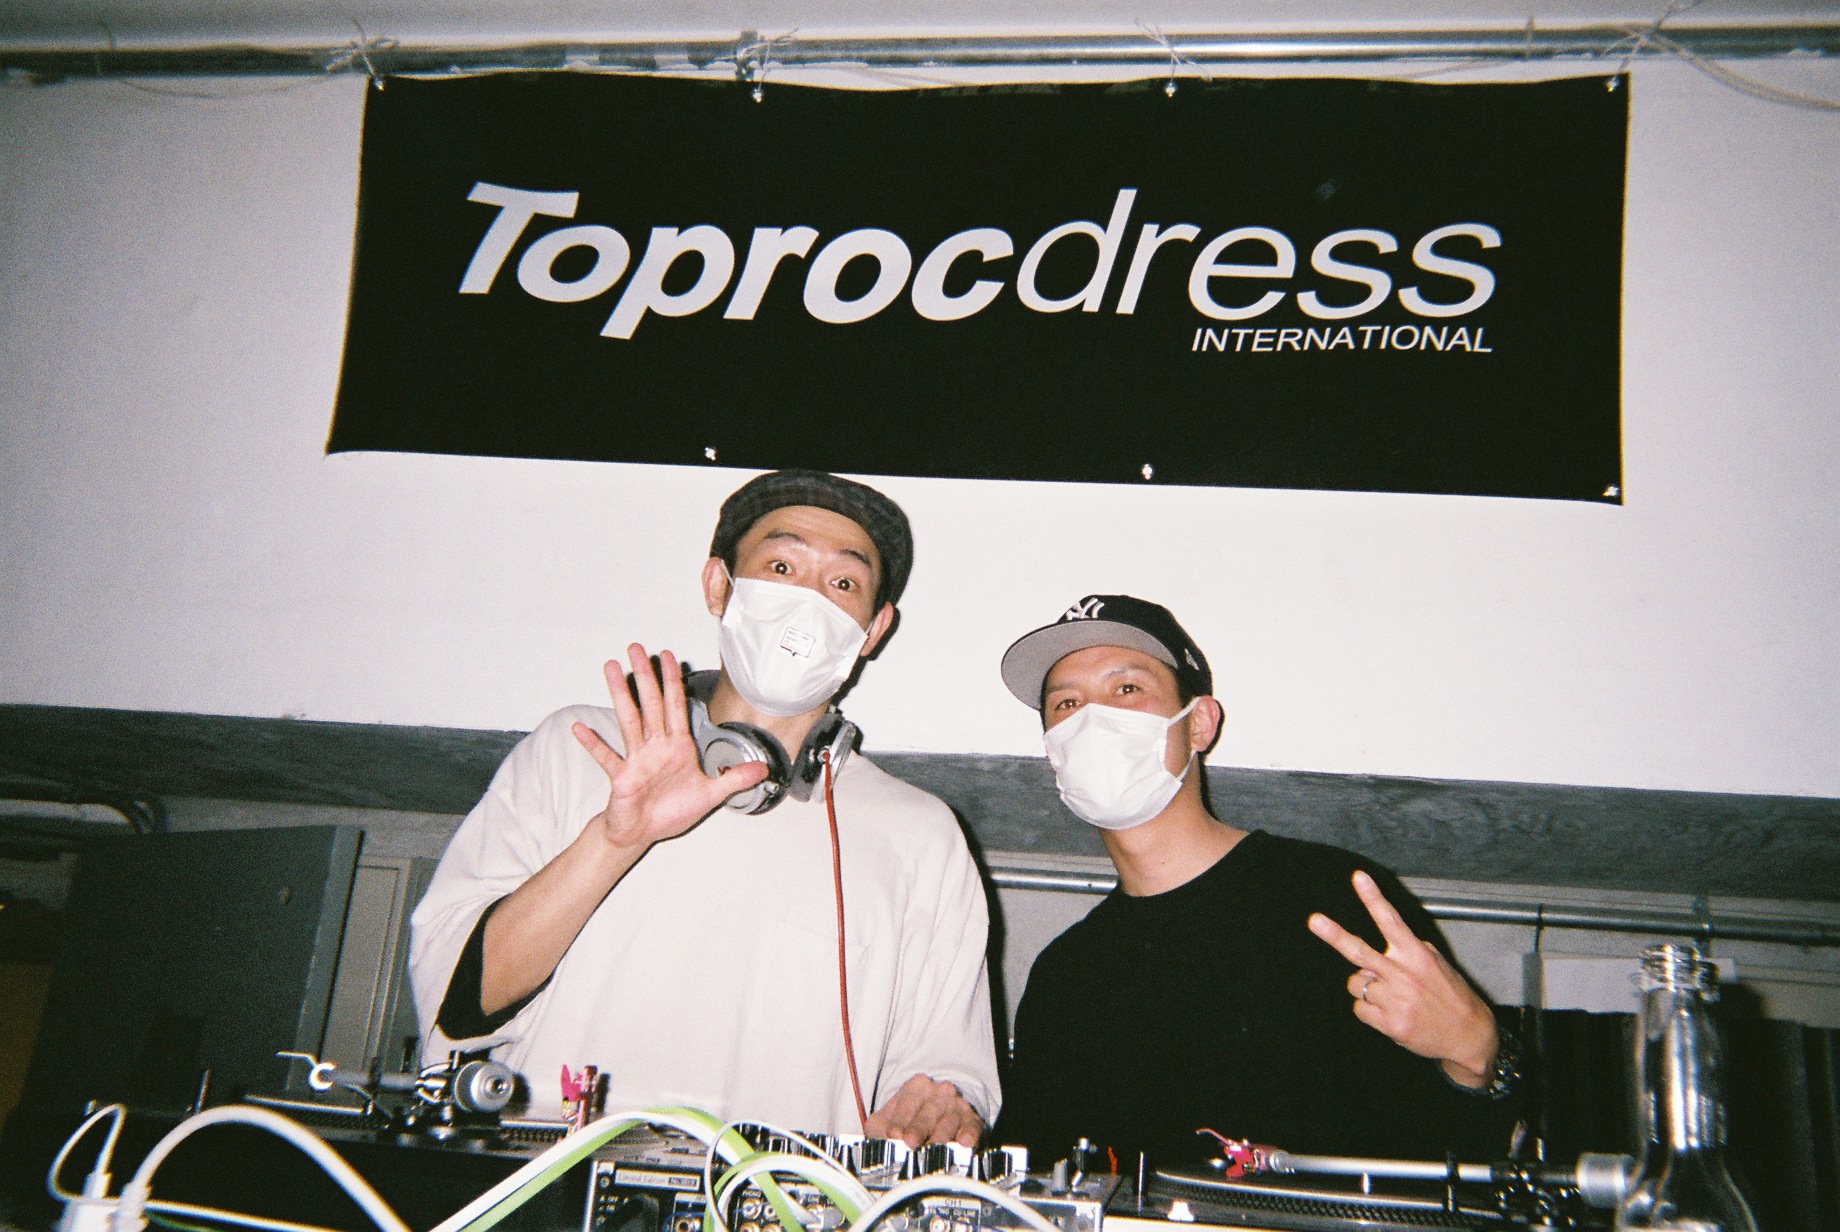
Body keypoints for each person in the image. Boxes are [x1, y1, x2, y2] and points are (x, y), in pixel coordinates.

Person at [408, 470, 998, 1147]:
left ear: (874, 628)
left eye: (843, 583)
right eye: (782, 567)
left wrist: (943, 1109)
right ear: (719, 585)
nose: (808, 602)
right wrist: (613, 841)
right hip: (552, 1181)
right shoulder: (582, 747)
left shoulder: (921, 835)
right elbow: (457, 1008)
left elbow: (943, 1078)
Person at [991, 595, 1521, 1168]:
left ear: (1199, 723)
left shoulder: (1335, 902)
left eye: (1126, 689)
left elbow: (1456, 1160)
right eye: (1067, 703)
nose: (1093, 721)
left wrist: (1477, 1054)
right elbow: (1036, 1182)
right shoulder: (1067, 975)